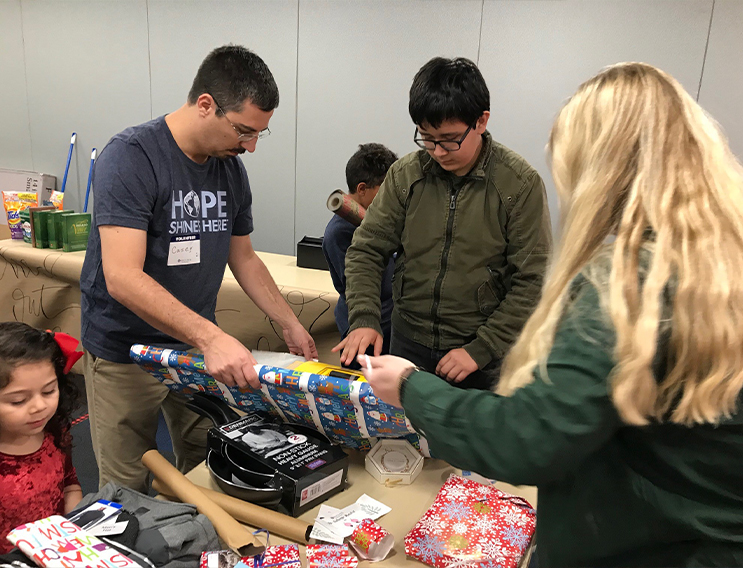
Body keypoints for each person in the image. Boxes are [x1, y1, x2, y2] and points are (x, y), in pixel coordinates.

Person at [362, 62, 743, 567]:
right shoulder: (718, 257)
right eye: (427, 139)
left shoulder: (627, 282)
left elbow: (528, 438)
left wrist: (412, 385)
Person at [80, 45, 318, 492]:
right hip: (126, 351)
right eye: (244, 131)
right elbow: (123, 278)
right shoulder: (132, 156)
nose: (249, 146)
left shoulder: (228, 169)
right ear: (205, 105)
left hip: (191, 352)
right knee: (127, 485)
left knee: (210, 462)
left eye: (258, 135)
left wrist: (289, 322)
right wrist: (211, 337)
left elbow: (243, 256)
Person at [335, 57, 552, 390]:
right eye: (426, 137)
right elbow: (367, 249)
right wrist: (364, 319)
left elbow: (532, 281)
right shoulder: (406, 174)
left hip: (480, 356)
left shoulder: (518, 185)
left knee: (469, 439)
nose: (437, 151)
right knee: (399, 438)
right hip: (408, 343)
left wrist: (482, 348)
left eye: (449, 139)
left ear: (481, 121)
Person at [0, 322, 83, 553]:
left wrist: (74, 525)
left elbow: (69, 485)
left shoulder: (56, 433)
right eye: (18, 401)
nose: (39, 406)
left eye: (48, 391)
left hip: (57, 552)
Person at [322, 143, 398, 368]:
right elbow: (360, 288)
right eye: (384, 191)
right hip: (369, 320)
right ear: (362, 188)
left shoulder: (379, 220)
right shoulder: (340, 233)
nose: (390, 200)